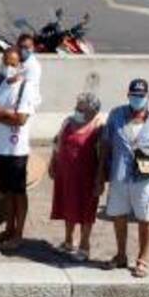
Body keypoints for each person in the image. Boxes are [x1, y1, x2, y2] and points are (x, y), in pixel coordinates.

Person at [97, 78, 149, 278]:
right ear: (128, 96)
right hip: (120, 173)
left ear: (147, 97)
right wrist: (101, 171)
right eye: (134, 96)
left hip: (146, 175)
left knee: (145, 217)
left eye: (141, 96)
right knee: (118, 215)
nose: (137, 99)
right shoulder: (116, 114)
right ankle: (121, 254)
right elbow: (105, 144)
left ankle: (143, 257)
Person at [0, 45, 41, 250]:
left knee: (18, 192)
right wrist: (5, 113)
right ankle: (8, 228)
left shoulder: (26, 88)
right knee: (6, 192)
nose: (8, 67)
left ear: (20, 65)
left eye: (12, 64)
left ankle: (18, 233)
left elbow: (20, 119)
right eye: (5, 62)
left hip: (16, 150)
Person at [48, 91, 105, 258]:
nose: (77, 111)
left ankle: (84, 246)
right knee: (67, 205)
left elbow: (103, 156)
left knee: (86, 210)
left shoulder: (99, 126)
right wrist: (53, 162)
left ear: (92, 111)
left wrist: (100, 179)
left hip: (87, 177)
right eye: (77, 108)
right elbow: (57, 143)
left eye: (81, 109)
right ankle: (68, 241)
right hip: (66, 174)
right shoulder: (68, 122)